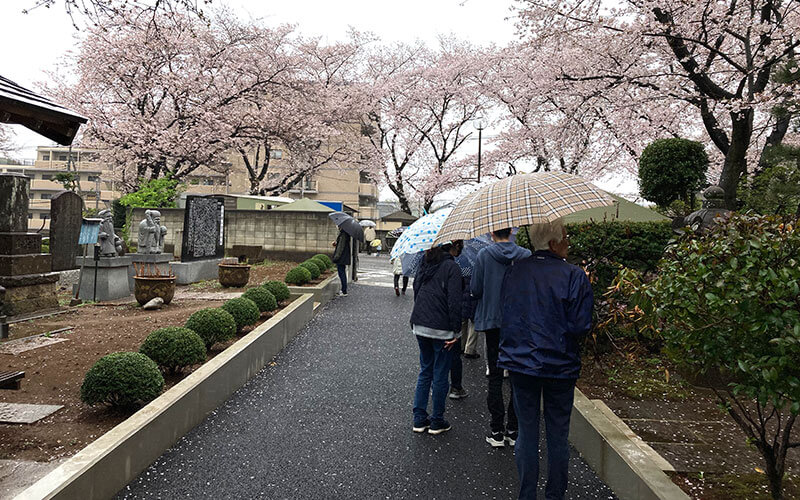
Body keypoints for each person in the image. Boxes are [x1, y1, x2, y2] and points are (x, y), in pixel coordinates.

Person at [499, 219, 593, 500]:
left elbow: (506, 314)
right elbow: (581, 326)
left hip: (521, 363)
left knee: (527, 434)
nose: (568, 242)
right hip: (560, 365)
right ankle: (554, 495)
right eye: (565, 236)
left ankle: (526, 495)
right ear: (553, 243)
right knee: (557, 435)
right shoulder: (574, 276)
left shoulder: (514, 272)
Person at [471, 228, 531, 447]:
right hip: (519, 322)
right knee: (516, 375)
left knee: (495, 375)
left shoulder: (484, 255)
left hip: (492, 321)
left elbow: (476, 289)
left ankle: (496, 430)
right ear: (511, 232)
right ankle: (514, 430)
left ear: (492, 233)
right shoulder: (525, 255)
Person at [410, 240, 463, 435]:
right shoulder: (452, 267)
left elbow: (417, 291)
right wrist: (456, 332)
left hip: (420, 324)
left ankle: (419, 419)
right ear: (453, 246)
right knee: (441, 373)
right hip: (442, 329)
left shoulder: (425, 263)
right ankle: (437, 421)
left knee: (425, 371)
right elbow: (455, 302)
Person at [448, 273, 476, 400]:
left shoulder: (425, 265)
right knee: (474, 324)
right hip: (471, 299)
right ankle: (456, 387)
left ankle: (462, 345)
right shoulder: (467, 266)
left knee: (463, 322)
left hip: (426, 321)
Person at [461, 273, 480, 359]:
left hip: (463, 294)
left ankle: (461, 345)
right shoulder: (476, 262)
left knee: (463, 320)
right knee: (474, 322)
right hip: (474, 295)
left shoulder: (461, 263)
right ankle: (470, 349)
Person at [332, 228, 351, 296]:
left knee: (341, 273)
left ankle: (344, 291)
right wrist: (336, 243)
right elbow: (340, 245)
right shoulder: (345, 233)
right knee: (342, 272)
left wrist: (336, 257)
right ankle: (343, 290)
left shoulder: (343, 234)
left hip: (341, 257)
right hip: (344, 256)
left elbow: (341, 247)